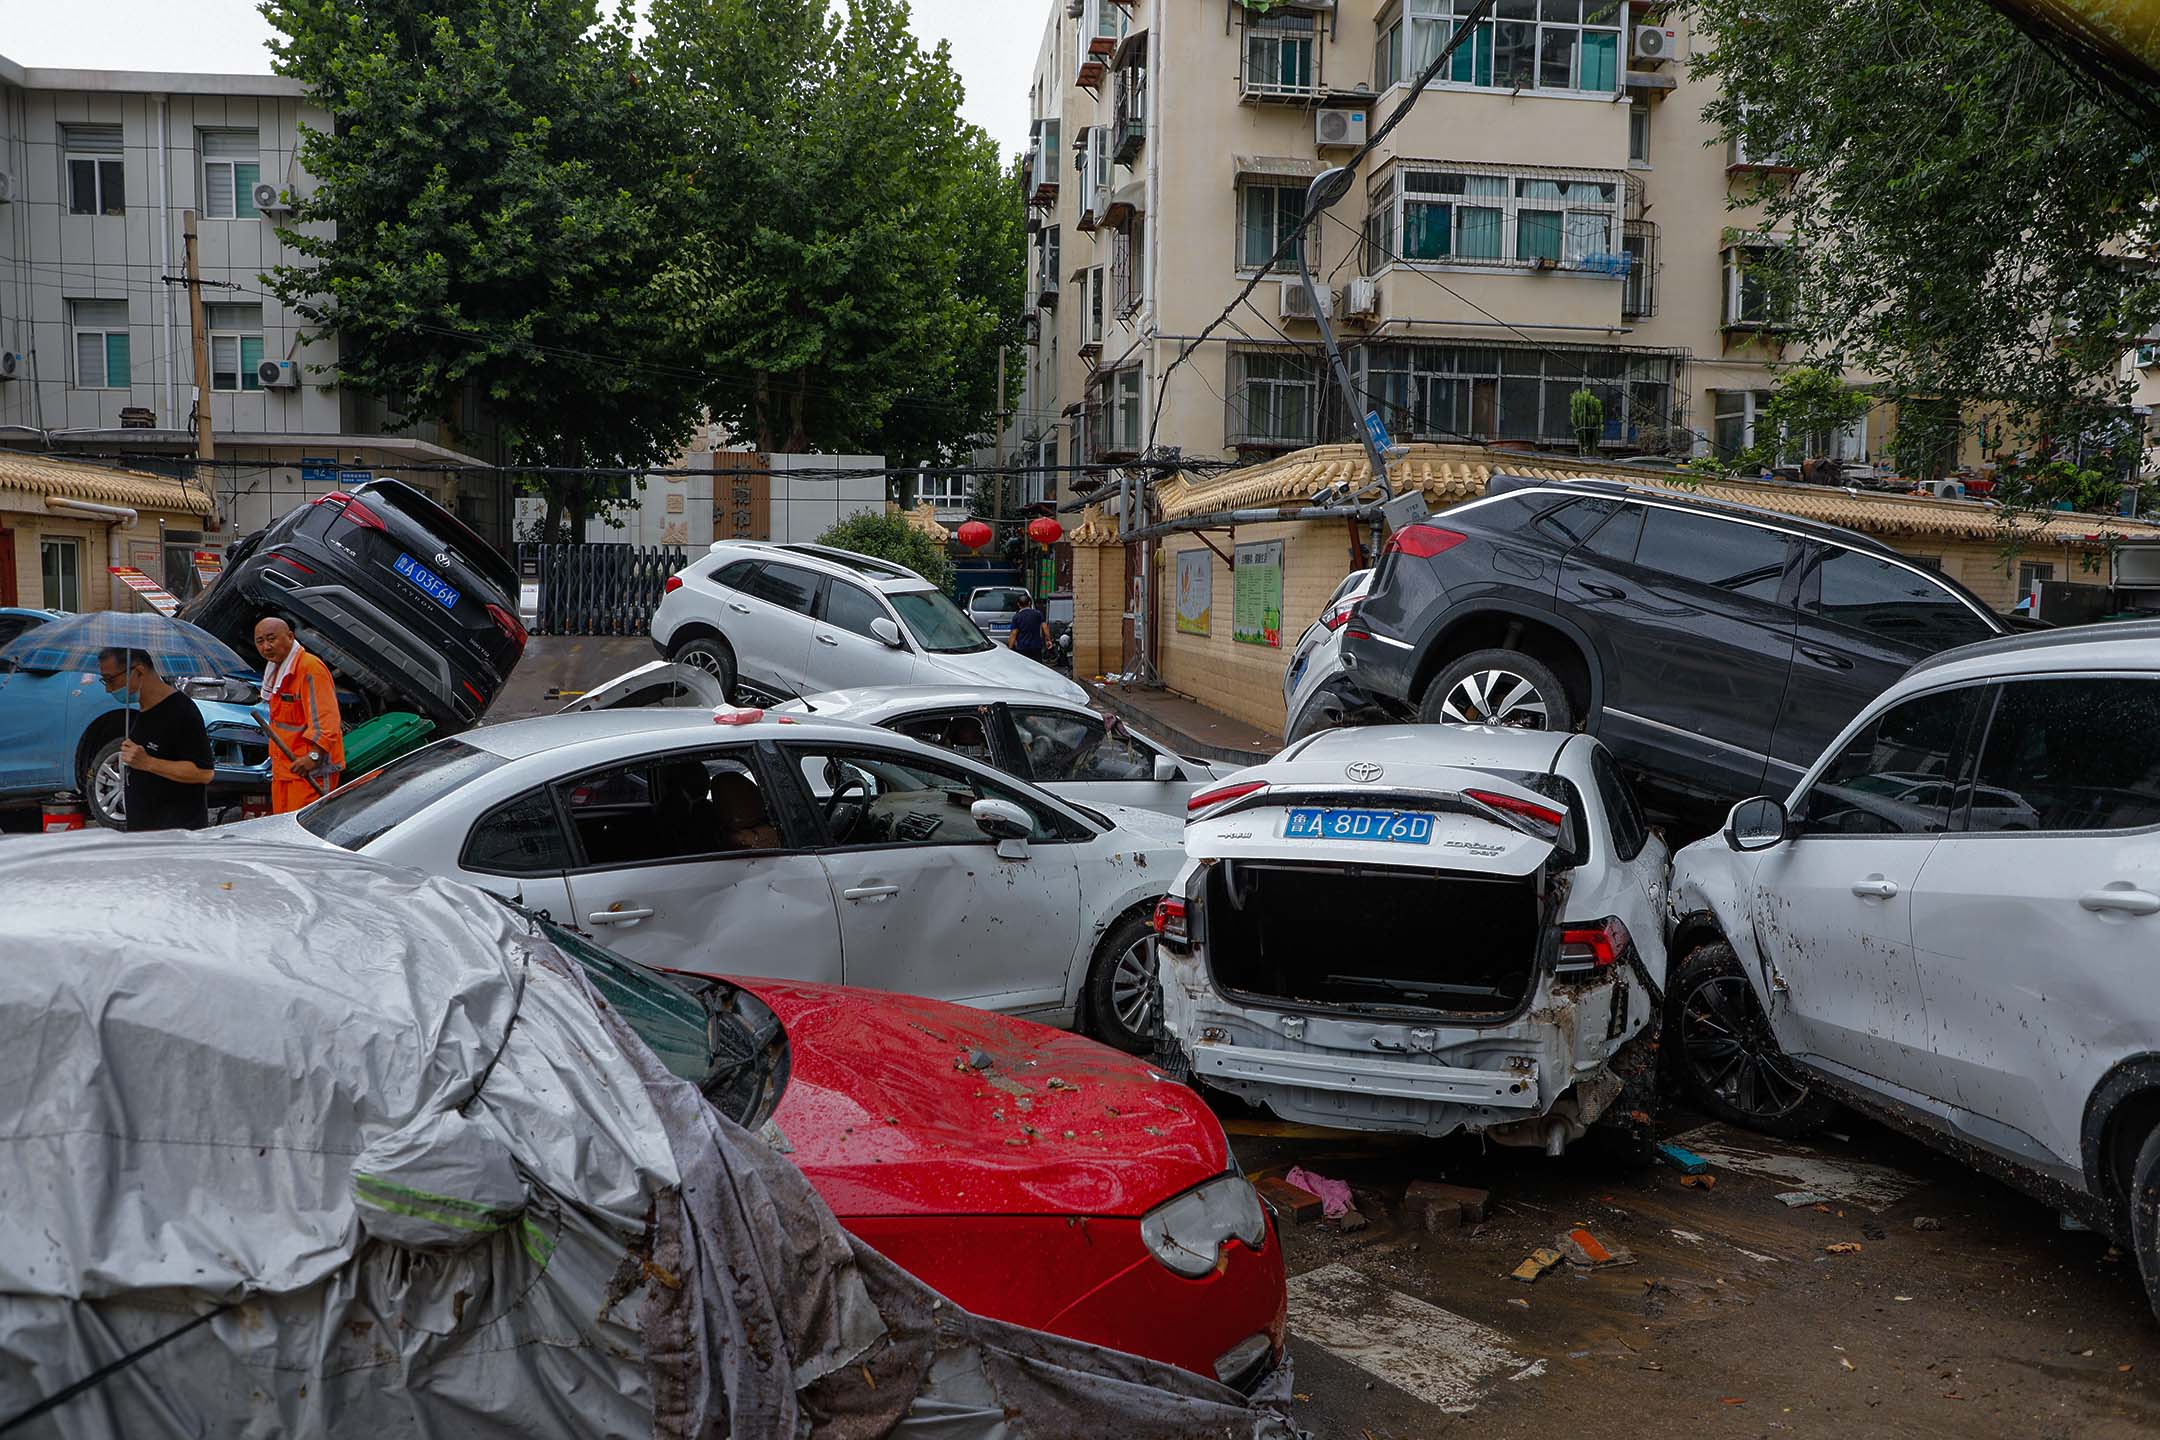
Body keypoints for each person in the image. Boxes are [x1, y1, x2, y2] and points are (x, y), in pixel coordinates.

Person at [96, 647, 214, 832]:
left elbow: (203, 773)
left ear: (139, 671)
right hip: (145, 832)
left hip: (175, 834)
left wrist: (148, 762)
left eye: (111, 679)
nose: (108, 689)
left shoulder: (181, 712)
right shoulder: (141, 712)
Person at [254, 616, 345, 814]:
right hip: (287, 771)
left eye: (271, 639)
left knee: (309, 832)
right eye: (260, 641)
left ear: (290, 637)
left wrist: (313, 756)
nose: (266, 647)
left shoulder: (309, 668)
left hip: (312, 770)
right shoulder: (277, 669)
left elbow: (326, 721)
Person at [1008, 592, 1048, 664]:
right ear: (1029, 603)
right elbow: (1045, 627)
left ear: (1018, 604)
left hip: (1022, 648)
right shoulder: (1038, 614)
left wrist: (1010, 648)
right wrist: (1048, 640)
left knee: (1024, 667)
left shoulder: (1017, 617)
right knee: (1037, 667)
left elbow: (1014, 633)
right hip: (1036, 647)